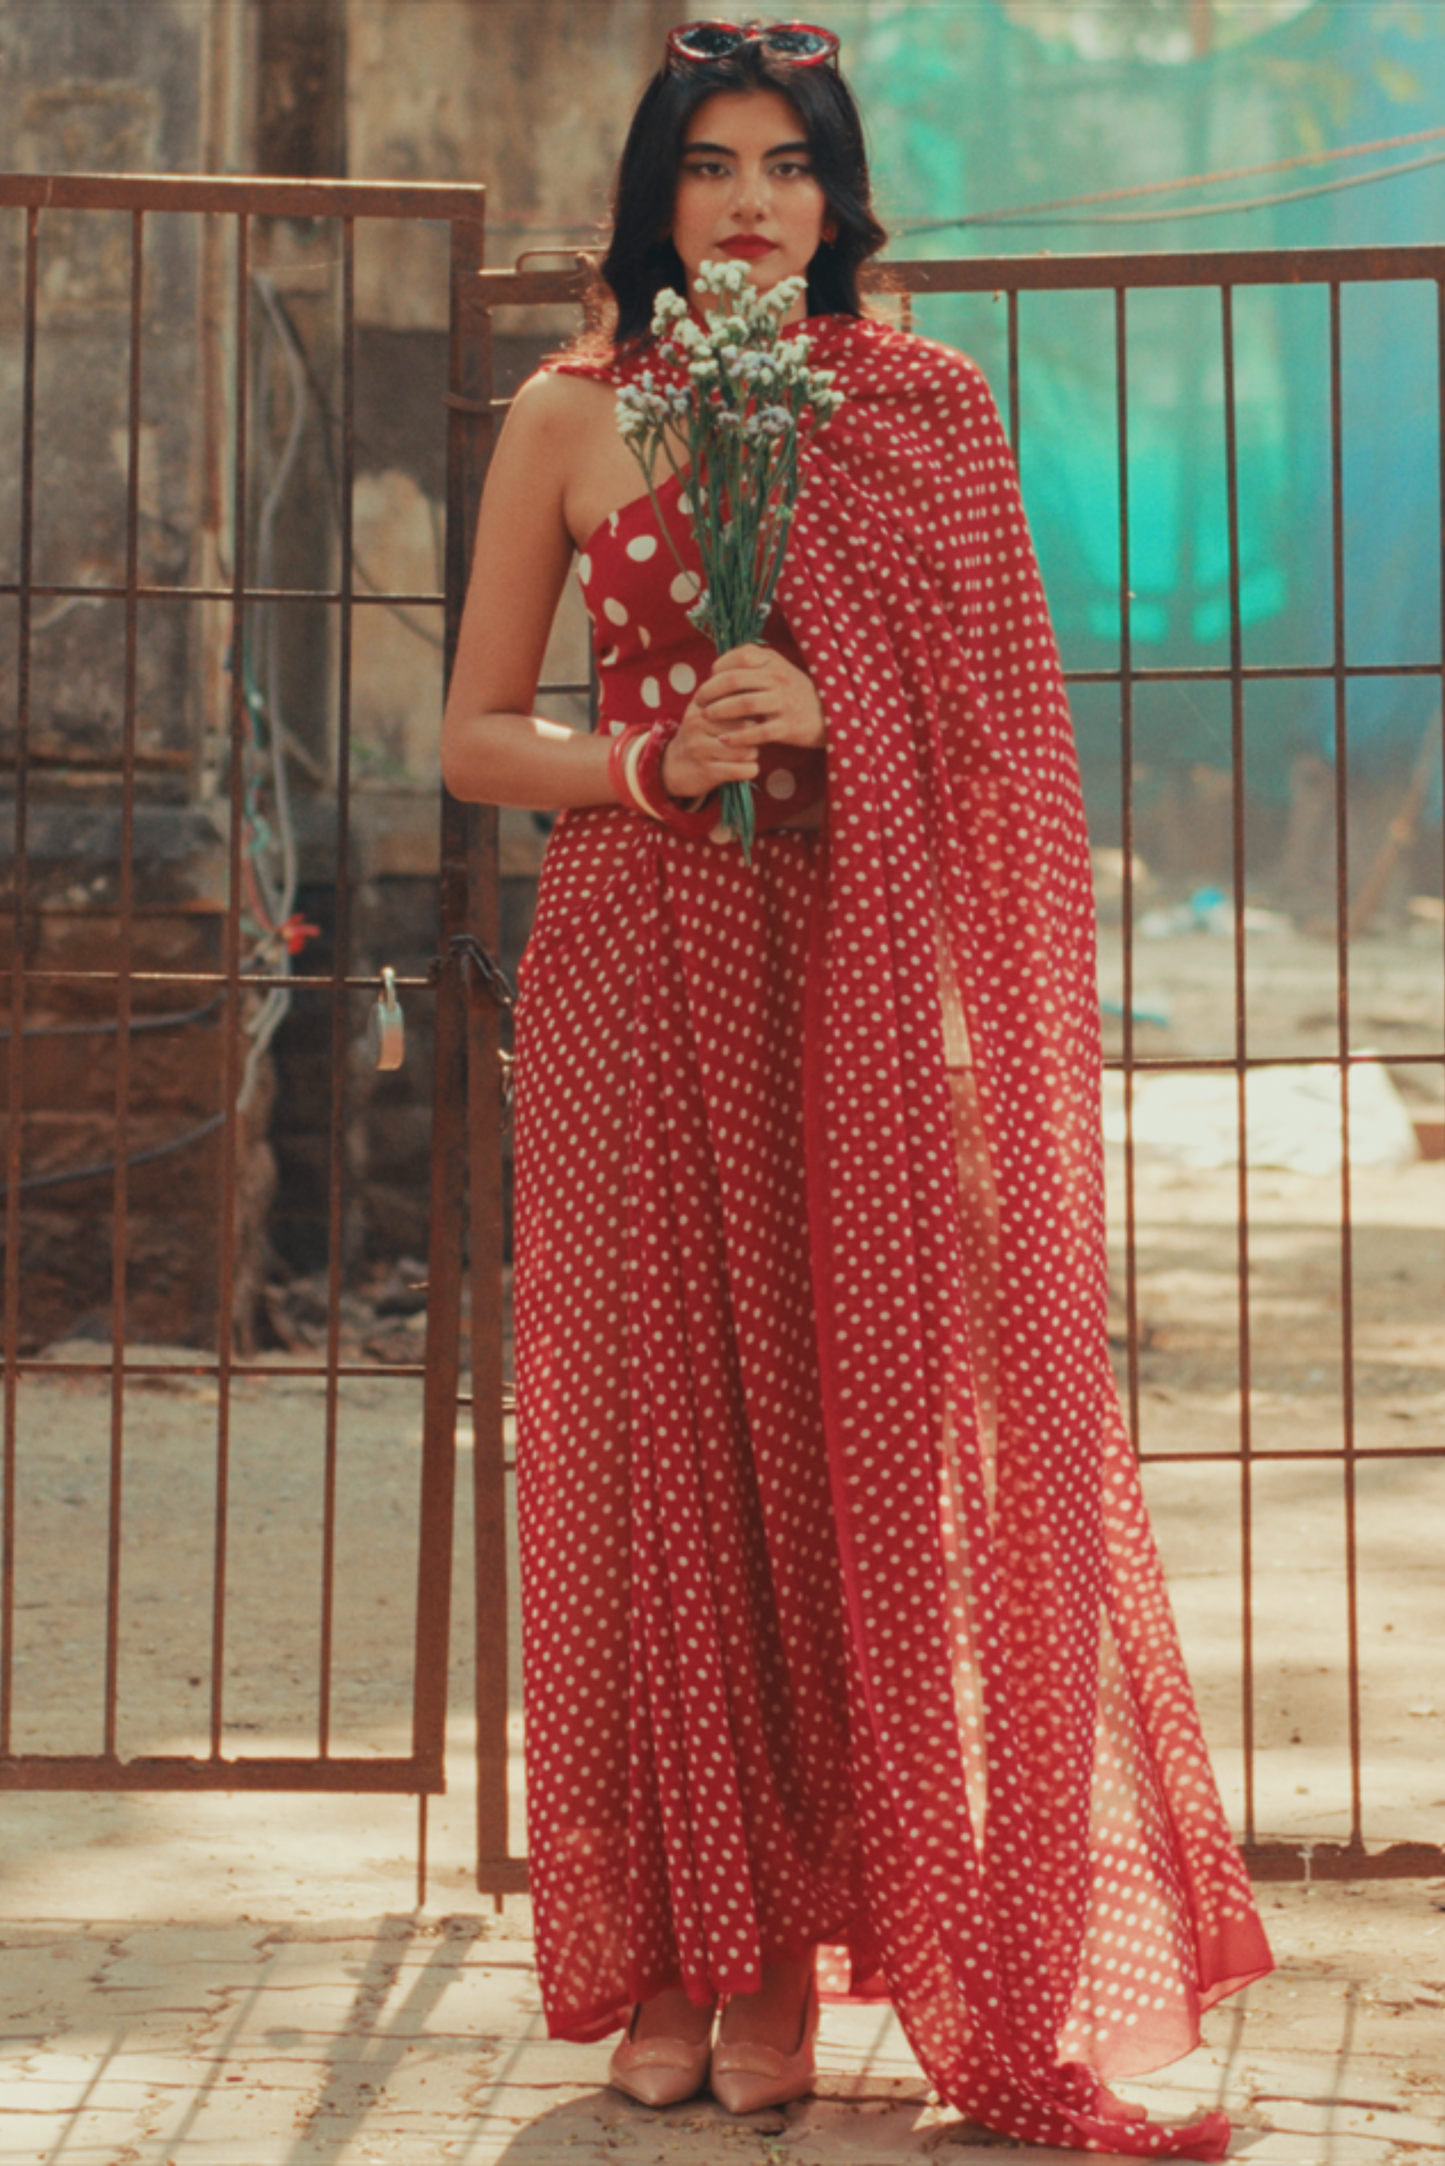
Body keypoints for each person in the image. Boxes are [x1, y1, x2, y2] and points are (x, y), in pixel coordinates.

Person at [440, 18, 1272, 2155]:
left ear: (835, 197)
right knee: (648, 1456)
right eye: (705, 164)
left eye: (782, 162)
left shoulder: (922, 414)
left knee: (840, 1459)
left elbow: (1009, 738)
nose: (742, 201)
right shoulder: (565, 413)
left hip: (845, 986)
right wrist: (652, 759)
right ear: (650, 203)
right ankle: (675, 1958)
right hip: (632, 963)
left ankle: (805, 1958)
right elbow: (472, 742)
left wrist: (834, 710)